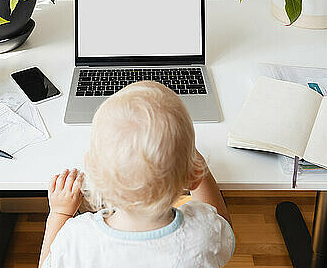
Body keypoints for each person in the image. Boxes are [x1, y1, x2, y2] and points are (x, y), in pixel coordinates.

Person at [39, 81, 234, 267]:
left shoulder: (77, 239)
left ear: (93, 172)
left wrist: (60, 212)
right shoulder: (204, 232)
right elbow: (223, 226)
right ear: (194, 173)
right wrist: (197, 168)